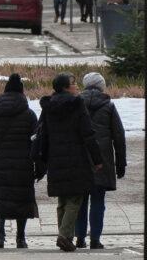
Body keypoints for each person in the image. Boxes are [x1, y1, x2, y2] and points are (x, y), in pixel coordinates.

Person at [33, 73, 103, 252]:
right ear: (65, 87)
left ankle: (66, 236)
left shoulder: (48, 106)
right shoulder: (77, 104)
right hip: (76, 157)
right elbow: (87, 133)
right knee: (75, 197)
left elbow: (43, 133)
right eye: (73, 83)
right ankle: (64, 236)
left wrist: (44, 158)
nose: (77, 86)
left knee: (62, 198)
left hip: (56, 158)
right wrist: (97, 159)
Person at [0, 73, 38, 249]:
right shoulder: (29, 114)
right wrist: (40, 166)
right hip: (23, 164)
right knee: (23, 199)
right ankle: (21, 238)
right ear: (22, 92)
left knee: (0, 198)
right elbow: (37, 141)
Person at [75, 73, 126, 250]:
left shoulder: (75, 104)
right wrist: (121, 163)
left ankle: (79, 238)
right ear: (101, 86)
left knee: (80, 200)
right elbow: (119, 136)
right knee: (98, 200)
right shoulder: (108, 106)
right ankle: (95, 239)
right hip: (102, 160)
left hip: (80, 158)